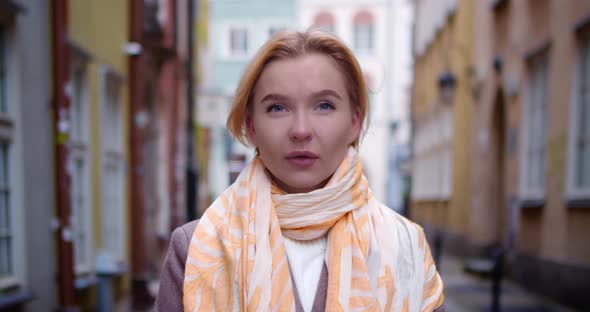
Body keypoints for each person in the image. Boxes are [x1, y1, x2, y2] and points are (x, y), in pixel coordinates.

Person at [155, 29, 444, 312]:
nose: (301, 130)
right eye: (278, 108)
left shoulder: (405, 246)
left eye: (324, 106)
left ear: (354, 122)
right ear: (251, 126)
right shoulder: (196, 247)